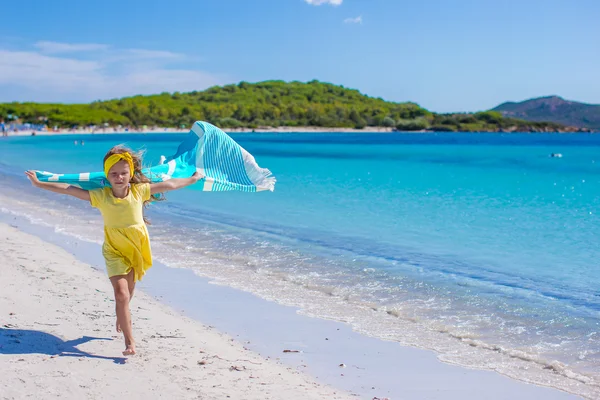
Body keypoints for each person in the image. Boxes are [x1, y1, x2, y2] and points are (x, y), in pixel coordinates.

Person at [25, 145, 203, 356]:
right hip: (114, 249)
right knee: (121, 294)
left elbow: (170, 184)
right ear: (107, 176)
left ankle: (121, 313)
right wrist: (39, 183)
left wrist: (192, 179)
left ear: (131, 174)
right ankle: (130, 343)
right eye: (114, 173)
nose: (119, 177)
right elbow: (68, 189)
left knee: (128, 294)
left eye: (124, 173)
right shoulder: (101, 195)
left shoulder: (139, 191)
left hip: (136, 246)